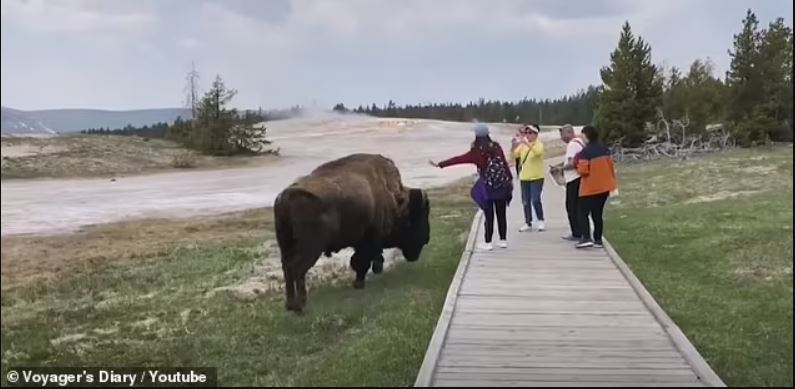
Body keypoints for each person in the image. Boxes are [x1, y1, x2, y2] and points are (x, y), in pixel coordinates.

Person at [430, 124, 513, 250]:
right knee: (501, 214)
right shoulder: (496, 146)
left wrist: (441, 164)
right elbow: (504, 164)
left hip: (487, 187)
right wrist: (509, 180)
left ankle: (488, 242)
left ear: (476, 135)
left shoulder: (476, 151)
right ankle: (503, 240)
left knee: (488, 214)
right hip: (501, 185)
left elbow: (459, 159)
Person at [573, 125, 617, 249]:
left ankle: (586, 237)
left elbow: (583, 171)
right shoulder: (605, 150)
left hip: (589, 188)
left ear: (586, 136)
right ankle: (598, 239)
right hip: (604, 188)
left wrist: (577, 167)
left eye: (582, 136)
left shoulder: (585, 152)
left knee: (582, 213)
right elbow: (611, 167)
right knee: (597, 214)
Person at [551, 124, 585, 241]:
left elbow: (571, 163)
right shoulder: (580, 142)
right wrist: (560, 164)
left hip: (574, 179)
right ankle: (581, 231)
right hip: (580, 178)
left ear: (569, 133)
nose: (561, 137)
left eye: (562, 134)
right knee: (579, 206)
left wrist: (560, 169)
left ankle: (576, 233)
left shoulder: (572, 144)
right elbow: (572, 160)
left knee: (571, 207)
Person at [513, 124, 545, 232]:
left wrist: (527, 143)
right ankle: (528, 222)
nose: (528, 135)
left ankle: (540, 220)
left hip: (537, 177)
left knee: (535, 199)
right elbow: (515, 155)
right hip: (524, 177)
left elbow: (537, 153)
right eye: (526, 133)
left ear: (536, 134)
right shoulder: (523, 145)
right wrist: (516, 144)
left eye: (530, 133)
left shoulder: (539, 144)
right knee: (525, 201)